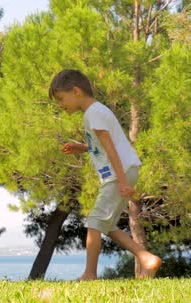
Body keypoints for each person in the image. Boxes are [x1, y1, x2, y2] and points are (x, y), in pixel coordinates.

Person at [49, 69, 161, 280]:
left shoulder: (94, 113)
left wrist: (121, 181)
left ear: (76, 91)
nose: (60, 105)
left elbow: (111, 149)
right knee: (106, 225)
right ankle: (146, 258)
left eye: (61, 99)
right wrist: (82, 147)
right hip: (123, 171)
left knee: (94, 222)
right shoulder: (94, 112)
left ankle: (89, 274)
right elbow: (102, 145)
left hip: (120, 173)